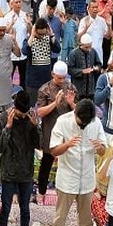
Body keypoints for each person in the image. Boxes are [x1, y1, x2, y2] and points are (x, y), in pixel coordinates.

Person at [49, 98, 106, 226]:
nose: (83, 126)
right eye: (81, 123)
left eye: (86, 124)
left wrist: (99, 147)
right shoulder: (63, 121)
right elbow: (53, 150)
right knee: (61, 216)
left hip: (87, 179)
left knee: (86, 216)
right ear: (75, 114)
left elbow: (103, 151)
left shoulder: (95, 123)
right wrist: (67, 145)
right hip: (67, 179)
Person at [0, 89, 41, 226]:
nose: (23, 116)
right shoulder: (3, 118)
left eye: (25, 113)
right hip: (8, 170)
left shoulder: (30, 119)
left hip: (26, 171)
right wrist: (7, 127)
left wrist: (36, 126)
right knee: (5, 209)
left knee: (25, 207)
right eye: (21, 113)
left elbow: (39, 145)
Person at [36, 61, 76, 202]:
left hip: (67, 132)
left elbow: (79, 112)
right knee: (46, 164)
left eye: (64, 77)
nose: (62, 81)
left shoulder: (70, 87)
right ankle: (41, 192)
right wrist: (54, 103)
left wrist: (71, 103)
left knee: (67, 165)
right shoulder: (44, 89)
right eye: (59, 78)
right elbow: (40, 112)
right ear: (53, 74)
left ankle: (65, 194)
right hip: (50, 132)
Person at [67, 33, 102, 100]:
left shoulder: (93, 51)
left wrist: (97, 68)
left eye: (90, 46)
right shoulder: (73, 54)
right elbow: (70, 69)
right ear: (81, 45)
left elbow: (99, 64)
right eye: (86, 47)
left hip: (91, 89)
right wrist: (82, 71)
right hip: (78, 89)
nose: (88, 49)